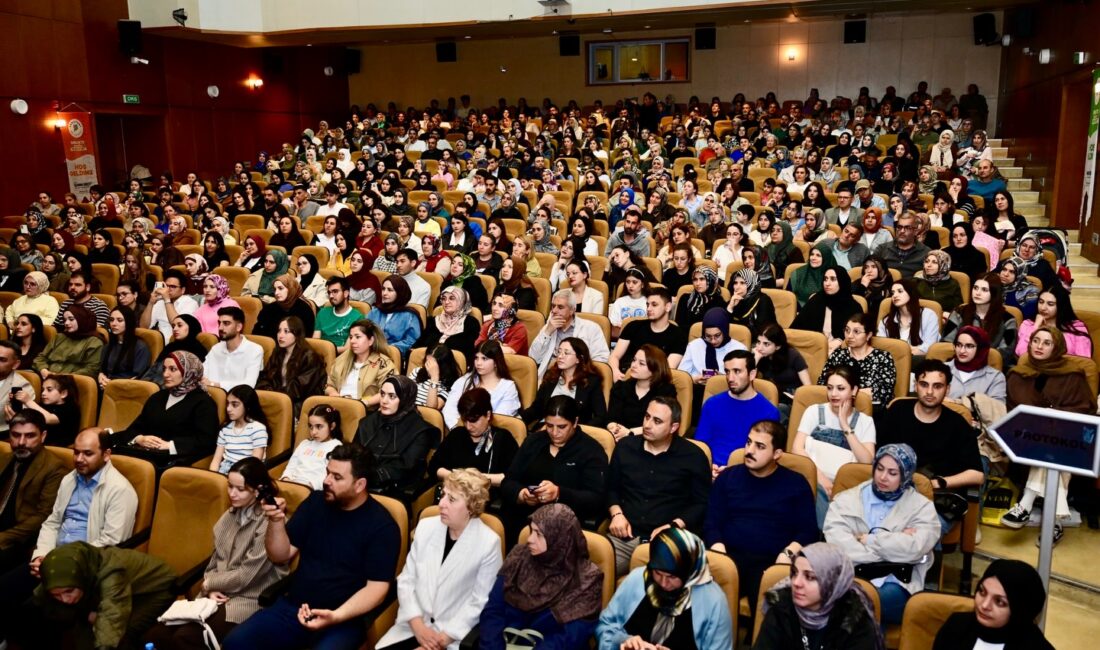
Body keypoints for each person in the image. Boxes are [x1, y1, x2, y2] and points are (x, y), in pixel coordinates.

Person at [222, 444, 401, 650]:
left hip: (342, 619)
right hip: (294, 607)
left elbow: (377, 589)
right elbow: (280, 555)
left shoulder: (382, 526)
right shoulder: (316, 502)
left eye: (337, 477)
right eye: (327, 473)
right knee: (235, 643)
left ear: (360, 484)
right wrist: (276, 522)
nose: (326, 481)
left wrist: (336, 616)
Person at [145, 457, 289, 650]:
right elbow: (213, 563)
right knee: (156, 635)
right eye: (230, 486)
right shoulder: (228, 517)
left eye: (240, 489)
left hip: (249, 598)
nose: (232, 494)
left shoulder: (268, 523)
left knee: (186, 638)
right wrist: (210, 589)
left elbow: (246, 577)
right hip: (217, 595)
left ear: (257, 490)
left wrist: (209, 584)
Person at [376, 469, 503, 650]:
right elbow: (406, 579)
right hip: (412, 626)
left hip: (451, 636)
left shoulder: (488, 543)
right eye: (443, 495)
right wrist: (417, 624)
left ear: (471, 506)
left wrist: (440, 641)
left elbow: (480, 602)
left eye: (451, 499)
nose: (441, 504)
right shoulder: (426, 526)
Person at [705, 419, 817, 615]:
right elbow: (712, 521)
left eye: (760, 446)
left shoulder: (795, 484)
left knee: (772, 606)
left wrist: (787, 555)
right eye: (748, 442)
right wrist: (720, 554)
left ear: (777, 454)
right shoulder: (728, 477)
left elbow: (808, 531)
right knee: (705, 596)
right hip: (729, 556)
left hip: (772, 560)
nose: (749, 450)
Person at [823, 443, 940, 624]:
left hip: (897, 583)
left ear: (906, 475)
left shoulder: (922, 508)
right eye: (880, 469)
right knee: (852, 608)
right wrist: (894, 546)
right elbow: (838, 546)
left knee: (861, 605)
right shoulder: (847, 500)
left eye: (893, 473)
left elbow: (915, 548)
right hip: (848, 577)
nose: (883, 477)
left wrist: (868, 540)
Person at [999, 327, 1097, 542]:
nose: (1039, 346)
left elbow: (1085, 410)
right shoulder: (1017, 375)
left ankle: (1025, 503)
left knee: (1053, 448)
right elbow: (1011, 412)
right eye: (1035, 341)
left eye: (1046, 343)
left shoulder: (1073, 374)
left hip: (1067, 436)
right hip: (1026, 438)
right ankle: (1055, 522)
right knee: (1046, 446)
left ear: (1057, 347)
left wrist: (1055, 416)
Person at [606, 396, 711, 575]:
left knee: (657, 586)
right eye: (647, 417)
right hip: (625, 537)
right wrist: (616, 514)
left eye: (657, 421)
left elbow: (702, 504)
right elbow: (610, 488)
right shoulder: (625, 447)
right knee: (591, 576)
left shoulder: (693, 456)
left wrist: (674, 525)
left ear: (674, 427)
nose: (647, 425)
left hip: (668, 541)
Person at [478, 503, 602, 649]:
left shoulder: (586, 579)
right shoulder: (518, 558)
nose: (530, 539)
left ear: (559, 539)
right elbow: (493, 611)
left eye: (539, 534)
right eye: (531, 530)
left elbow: (569, 638)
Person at [15, 542, 175, 650]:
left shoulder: (110, 573)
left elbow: (112, 617)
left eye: (69, 591)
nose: (65, 599)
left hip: (155, 590)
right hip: (118, 589)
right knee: (84, 631)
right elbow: (39, 601)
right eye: (57, 594)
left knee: (123, 632)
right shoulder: (65, 570)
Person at [598, 527, 734, 650]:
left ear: (689, 573)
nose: (663, 583)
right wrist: (624, 641)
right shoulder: (638, 579)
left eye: (671, 576)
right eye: (657, 573)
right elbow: (605, 626)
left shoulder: (713, 602)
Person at [879, 359, 985, 504]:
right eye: (924, 385)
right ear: (915, 386)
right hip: (893, 491)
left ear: (947, 389)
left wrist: (936, 483)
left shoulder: (958, 424)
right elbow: (877, 454)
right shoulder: (897, 410)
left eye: (937, 386)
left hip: (935, 498)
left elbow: (977, 475)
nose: (929, 392)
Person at [501, 395, 608, 533]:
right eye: (549, 426)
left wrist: (559, 494)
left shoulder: (591, 450)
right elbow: (508, 481)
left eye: (562, 427)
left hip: (565, 524)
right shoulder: (534, 441)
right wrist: (522, 494)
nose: (555, 433)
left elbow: (596, 499)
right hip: (524, 517)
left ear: (575, 422)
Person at [754, 543, 882, 649]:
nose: (796, 583)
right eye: (794, 573)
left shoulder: (855, 620)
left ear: (832, 582)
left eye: (810, 577)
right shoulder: (781, 609)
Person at [794, 364, 877, 524]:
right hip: (813, 477)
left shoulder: (865, 422)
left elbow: (866, 461)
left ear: (853, 391)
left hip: (847, 486)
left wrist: (845, 425)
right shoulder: (813, 411)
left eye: (840, 388)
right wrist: (821, 477)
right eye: (830, 388)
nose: (833, 394)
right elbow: (797, 449)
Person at [932, 559, 1055, 650]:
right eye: (982, 592)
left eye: (999, 602)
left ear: (1019, 610)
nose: (984, 605)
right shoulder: (956, 626)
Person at [0, 411, 68, 572]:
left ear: (43, 436)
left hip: (20, 540)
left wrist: (3, 537)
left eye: (30, 436)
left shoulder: (54, 468)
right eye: (16, 435)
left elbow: (43, 516)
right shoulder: (4, 458)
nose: (21, 442)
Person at [696, 350, 781, 476]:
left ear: (752, 374)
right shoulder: (712, 404)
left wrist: (731, 471)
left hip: (745, 474)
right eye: (727, 372)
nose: (730, 378)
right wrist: (708, 467)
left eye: (737, 371)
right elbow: (701, 445)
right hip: (708, 470)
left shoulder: (769, 412)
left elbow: (763, 456)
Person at [354, 375, 437, 498]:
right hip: (360, 484)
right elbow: (353, 453)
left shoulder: (420, 430)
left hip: (396, 490)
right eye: (382, 394)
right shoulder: (368, 422)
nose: (384, 401)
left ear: (405, 398)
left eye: (392, 396)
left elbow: (406, 468)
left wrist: (372, 476)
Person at [429, 388, 519, 490]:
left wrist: (475, 479)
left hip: (484, 498)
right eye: (465, 420)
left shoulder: (503, 439)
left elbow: (512, 476)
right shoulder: (456, 434)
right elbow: (433, 466)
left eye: (473, 420)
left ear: (488, 415)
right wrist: (456, 477)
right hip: (453, 493)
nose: (468, 426)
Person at [820, 312, 898, 409]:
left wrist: (845, 393)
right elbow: (822, 384)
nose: (849, 336)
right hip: (838, 408)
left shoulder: (883, 357)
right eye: (847, 330)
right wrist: (860, 393)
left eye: (856, 332)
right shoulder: (838, 355)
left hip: (874, 411)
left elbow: (885, 392)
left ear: (869, 335)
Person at [524, 336, 607, 427]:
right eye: (559, 352)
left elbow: (601, 417)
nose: (560, 356)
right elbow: (536, 408)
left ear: (579, 358)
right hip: (546, 427)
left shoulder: (591, 382)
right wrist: (519, 420)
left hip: (576, 431)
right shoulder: (551, 376)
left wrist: (577, 430)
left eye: (566, 353)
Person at [529, 289, 610, 380]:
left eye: (560, 307)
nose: (554, 311)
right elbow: (534, 357)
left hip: (579, 377)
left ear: (572, 310)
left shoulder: (591, 328)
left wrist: (575, 366)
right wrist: (547, 332)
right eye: (553, 306)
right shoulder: (549, 327)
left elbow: (602, 359)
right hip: (550, 378)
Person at [609, 287, 687, 379]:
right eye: (647, 305)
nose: (649, 309)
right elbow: (615, 356)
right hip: (624, 375)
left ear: (668, 307)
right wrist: (615, 371)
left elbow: (666, 370)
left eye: (654, 305)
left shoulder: (678, 335)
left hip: (654, 381)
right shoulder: (633, 326)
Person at [441, 340, 521, 429]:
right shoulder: (465, 380)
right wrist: (458, 430)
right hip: (461, 432)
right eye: (476, 358)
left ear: (496, 361)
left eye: (484, 358)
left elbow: (500, 420)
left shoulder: (508, 387)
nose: (478, 363)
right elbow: (449, 410)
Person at [606, 344, 678, 441]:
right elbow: (611, 417)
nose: (633, 365)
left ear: (655, 369)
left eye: (641, 363)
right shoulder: (621, 387)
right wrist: (613, 428)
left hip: (652, 439)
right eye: (634, 360)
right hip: (620, 439)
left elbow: (661, 424)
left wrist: (630, 433)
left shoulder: (666, 391)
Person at [942, 273, 1020, 364]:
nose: (977, 293)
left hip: (990, 366)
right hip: (959, 362)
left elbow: (1005, 353)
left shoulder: (1008, 320)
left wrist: (977, 358)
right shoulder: (959, 312)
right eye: (975, 288)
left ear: (994, 293)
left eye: (984, 290)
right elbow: (947, 341)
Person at [791, 265, 864, 354]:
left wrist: (840, 341)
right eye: (825, 279)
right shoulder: (816, 300)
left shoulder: (854, 307)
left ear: (842, 281)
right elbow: (796, 328)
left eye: (833, 279)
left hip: (840, 352)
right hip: (811, 349)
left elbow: (857, 337)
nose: (827, 283)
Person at [1015, 285, 1091, 359]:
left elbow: (1084, 360)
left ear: (1061, 306)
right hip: (1034, 369)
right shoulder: (1028, 324)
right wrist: (1035, 327)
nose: (1043, 308)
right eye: (1041, 302)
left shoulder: (1076, 328)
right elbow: (1021, 353)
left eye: (1050, 304)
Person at [279, 403, 344, 490]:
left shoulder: (337, 446)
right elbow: (291, 466)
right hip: (291, 485)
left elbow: (330, 475)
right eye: (311, 426)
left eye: (319, 426)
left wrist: (310, 486)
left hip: (313, 490)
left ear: (332, 426)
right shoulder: (304, 443)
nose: (313, 432)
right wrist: (285, 478)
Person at [752, 324, 812, 417]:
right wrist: (755, 359)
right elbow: (746, 381)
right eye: (758, 342)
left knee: (773, 411)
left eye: (766, 344)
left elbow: (808, 387)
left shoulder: (793, 355)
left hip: (791, 399)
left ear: (778, 346)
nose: (759, 348)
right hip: (770, 395)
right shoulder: (759, 355)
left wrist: (797, 398)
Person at [33, 304, 104, 379]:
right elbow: (40, 358)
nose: (66, 323)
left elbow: (91, 369)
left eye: (71, 319)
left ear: (82, 319)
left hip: (73, 381)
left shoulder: (94, 341)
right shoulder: (59, 337)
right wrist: (44, 370)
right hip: (47, 377)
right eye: (65, 320)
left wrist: (61, 377)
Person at [203, 307, 265, 390]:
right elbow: (202, 374)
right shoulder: (216, 348)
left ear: (239, 327)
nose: (220, 328)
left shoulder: (255, 350)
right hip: (212, 396)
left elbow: (248, 385)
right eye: (219, 323)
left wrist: (213, 384)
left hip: (239, 399)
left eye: (226, 323)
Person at [416, 285, 479, 362]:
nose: (446, 302)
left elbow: (470, 353)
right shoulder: (431, 321)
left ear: (462, 301)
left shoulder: (470, 323)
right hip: (426, 363)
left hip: (454, 368)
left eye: (452, 298)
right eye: (443, 298)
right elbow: (418, 347)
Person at [878, 278, 940, 356]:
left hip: (922, 360)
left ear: (911, 293)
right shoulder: (886, 321)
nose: (895, 295)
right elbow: (881, 346)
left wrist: (903, 351)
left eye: (900, 291)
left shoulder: (928, 315)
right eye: (892, 293)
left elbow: (930, 347)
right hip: (894, 361)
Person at [367, 274, 422, 358]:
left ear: (399, 293)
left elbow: (411, 342)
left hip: (394, 356)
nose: (384, 293)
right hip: (369, 352)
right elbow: (363, 331)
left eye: (390, 290)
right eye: (383, 289)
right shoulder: (375, 311)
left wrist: (388, 349)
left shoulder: (410, 315)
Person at [96, 306, 151, 385]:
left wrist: (112, 384)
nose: (114, 324)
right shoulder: (108, 346)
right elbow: (102, 369)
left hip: (127, 388)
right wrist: (101, 375)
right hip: (106, 385)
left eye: (119, 320)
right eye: (111, 320)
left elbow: (137, 377)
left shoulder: (140, 347)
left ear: (129, 322)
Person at [140, 269, 198, 343]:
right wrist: (151, 302)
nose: (168, 289)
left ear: (183, 290)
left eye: (173, 287)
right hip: (159, 343)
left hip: (179, 343)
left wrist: (167, 300)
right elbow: (143, 327)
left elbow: (178, 326)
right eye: (166, 286)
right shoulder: (160, 302)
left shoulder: (190, 303)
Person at [875, 212, 931, 278]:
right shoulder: (882, 249)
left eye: (907, 228)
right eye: (899, 227)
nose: (902, 231)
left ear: (915, 231)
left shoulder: (926, 253)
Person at [313, 277, 361, 352]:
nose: (331, 296)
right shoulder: (322, 313)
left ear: (346, 293)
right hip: (320, 356)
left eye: (335, 291)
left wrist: (327, 350)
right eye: (329, 292)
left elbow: (347, 349)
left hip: (342, 359)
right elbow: (315, 342)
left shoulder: (358, 318)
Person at [0, 340, 35, 436]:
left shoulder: (21, 386)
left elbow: (23, 422)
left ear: (15, 364)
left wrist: (15, 419)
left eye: (2, 360)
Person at [916, 250, 964, 314]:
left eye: (934, 262)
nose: (928, 265)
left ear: (944, 265)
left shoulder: (953, 284)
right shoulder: (917, 281)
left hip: (944, 319)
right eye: (926, 261)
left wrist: (948, 316)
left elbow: (958, 309)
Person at [766, 221, 804, 289]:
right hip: (767, 284)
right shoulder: (766, 248)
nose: (774, 233)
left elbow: (798, 275)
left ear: (786, 233)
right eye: (772, 230)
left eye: (778, 231)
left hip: (787, 286)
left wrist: (783, 281)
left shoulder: (794, 251)